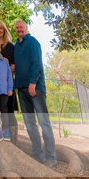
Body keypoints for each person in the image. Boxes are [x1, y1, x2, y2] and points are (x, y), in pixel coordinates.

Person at [13, 19, 57, 167]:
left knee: (44, 122)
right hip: (21, 88)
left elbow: (37, 64)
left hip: (35, 88)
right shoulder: (16, 46)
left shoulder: (33, 42)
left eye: (21, 27)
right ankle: (38, 155)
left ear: (26, 28)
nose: (19, 29)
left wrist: (33, 83)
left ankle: (51, 157)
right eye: (17, 27)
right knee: (30, 123)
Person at [0, 19, 18, 144]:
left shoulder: (10, 47)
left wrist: (6, 68)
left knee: (9, 111)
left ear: (4, 30)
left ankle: (13, 141)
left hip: (7, 83)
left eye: (0, 28)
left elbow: (14, 66)